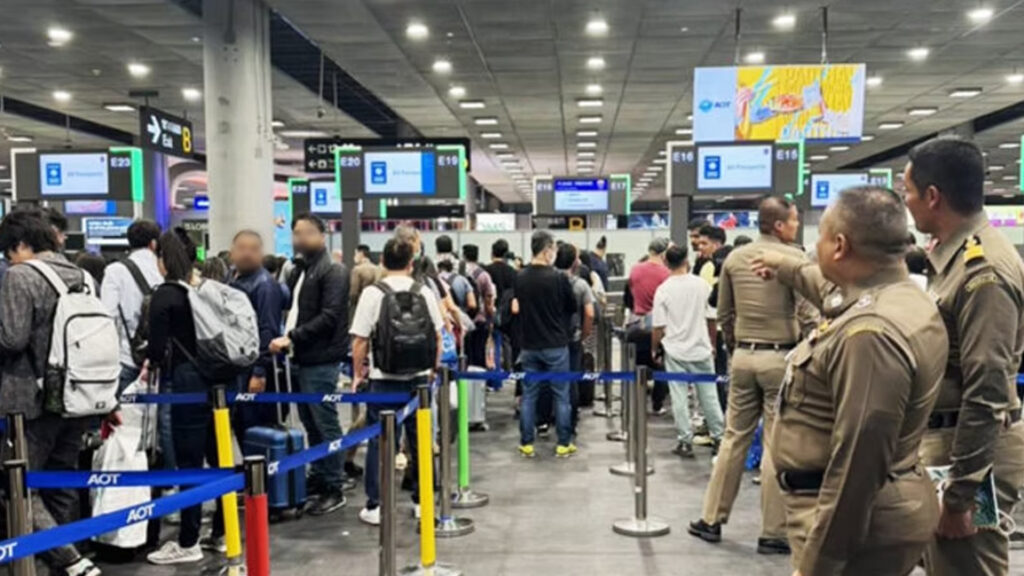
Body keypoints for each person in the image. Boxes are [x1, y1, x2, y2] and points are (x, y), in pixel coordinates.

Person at [751, 186, 949, 575]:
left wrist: (820, 562)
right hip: (881, 503)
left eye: (821, 238)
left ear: (839, 246)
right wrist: (784, 264)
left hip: (851, 522)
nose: (816, 249)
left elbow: (857, 464)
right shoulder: (898, 296)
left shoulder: (870, 334)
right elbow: (826, 287)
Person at [899, 137, 1024, 576]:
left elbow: (987, 387)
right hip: (950, 445)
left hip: (968, 454)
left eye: (908, 192)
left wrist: (961, 494)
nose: (906, 203)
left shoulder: (981, 271)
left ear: (933, 196)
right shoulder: (956, 261)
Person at [688, 196, 813, 556]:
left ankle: (711, 519)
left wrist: (736, 345)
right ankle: (773, 532)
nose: (795, 226)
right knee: (776, 445)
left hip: (743, 356)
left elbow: (724, 312)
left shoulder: (735, 259)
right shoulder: (795, 260)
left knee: (733, 438)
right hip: (780, 358)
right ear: (779, 225)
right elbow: (806, 315)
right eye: (793, 221)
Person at [0, 211, 104, 576]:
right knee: (62, 482)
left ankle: (71, 561)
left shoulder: (21, 275)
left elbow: (12, 338)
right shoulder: (84, 275)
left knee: (18, 486)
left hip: (30, 400)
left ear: (20, 245)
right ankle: (63, 563)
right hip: (79, 396)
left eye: (8, 252)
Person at [145, 230, 226, 565]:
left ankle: (189, 540)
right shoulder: (206, 288)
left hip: (186, 383)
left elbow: (155, 349)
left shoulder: (166, 294)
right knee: (219, 458)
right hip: (218, 379)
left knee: (189, 463)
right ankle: (222, 532)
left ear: (163, 258)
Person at [350, 238, 443, 526]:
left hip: (383, 380)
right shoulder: (424, 291)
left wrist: (357, 374)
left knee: (380, 442)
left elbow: (360, 341)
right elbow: (438, 336)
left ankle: (377, 505)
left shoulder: (373, 293)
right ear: (411, 263)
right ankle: (421, 502)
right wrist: (432, 369)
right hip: (418, 381)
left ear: (382, 262)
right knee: (420, 441)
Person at [270, 213, 351, 515]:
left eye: (306, 233)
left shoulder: (333, 270)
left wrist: (292, 337)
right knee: (311, 424)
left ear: (322, 234)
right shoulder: (303, 270)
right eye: (296, 233)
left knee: (326, 424)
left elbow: (329, 317)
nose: (299, 238)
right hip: (303, 359)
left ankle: (334, 485)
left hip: (321, 359)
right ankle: (320, 476)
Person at [651, 244, 723, 459]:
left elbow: (658, 326)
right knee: (709, 396)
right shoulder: (702, 285)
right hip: (701, 348)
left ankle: (685, 441)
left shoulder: (663, 289)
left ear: (666, 263)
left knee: (679, 397)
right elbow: (712, 318)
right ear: (687, 261)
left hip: (675, 350)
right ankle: (719, 438)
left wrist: (655, 348)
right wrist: (712, 344)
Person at [513, 231, 577, 458]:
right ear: (547, 249)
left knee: (529, 394)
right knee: (561, 394)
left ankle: (527, 443)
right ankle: (563, 442)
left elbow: (517, 307)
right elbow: (572, 307)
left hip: (529, 344)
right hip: (556, 343)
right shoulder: (559, 278)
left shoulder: (520, 277)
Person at [229, 230, 284, 435]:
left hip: (254, 369)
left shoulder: (265, 286)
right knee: (240, 424)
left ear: (261, 254)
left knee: (255, 429)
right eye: (242, 248)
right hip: (237, 365)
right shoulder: (233, 280)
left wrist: (259, 372)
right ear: (231, 253)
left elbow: (267, 329)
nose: (247, 254)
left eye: (253, 249)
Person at [101, 219, 163, 394]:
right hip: (160, 358)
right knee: (159, 416)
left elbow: (108, 314)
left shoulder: (115, 271)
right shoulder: (163, 269)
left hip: (126, 355)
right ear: (154, 244)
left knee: (126, 417)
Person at [626, 238, 671, 414]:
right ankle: (657, 404)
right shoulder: (666, 274)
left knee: (632, 365)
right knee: (661, 365)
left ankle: (632, 404)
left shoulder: (635, 269)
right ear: (664, 253)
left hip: (635, 322)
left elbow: (630, 293)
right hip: (657, 325)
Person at [554, 243, 595, 433]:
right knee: (571, 381)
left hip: (550, 337)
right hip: (572, 338)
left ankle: (548, 418)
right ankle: (570, 420)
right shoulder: (580, 284)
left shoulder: (549, 280)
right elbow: (590, 313)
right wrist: (584, 334)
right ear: (574, 262)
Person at [461, 244, 495, 369]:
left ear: (464, 256)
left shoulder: (459, 274)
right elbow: (488, 297)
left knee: (465, 354)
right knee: (479, 353)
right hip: (480, 318)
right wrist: (490, 316)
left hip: (463, 319)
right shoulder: (483, 275)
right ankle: (479, 384)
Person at [350, 243, 382, 311]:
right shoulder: (377, 268)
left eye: (355, 254)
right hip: (376, 304)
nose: (354, 257)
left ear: (361, 254)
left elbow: (353, 293)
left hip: (362, 304)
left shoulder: (357, 270)